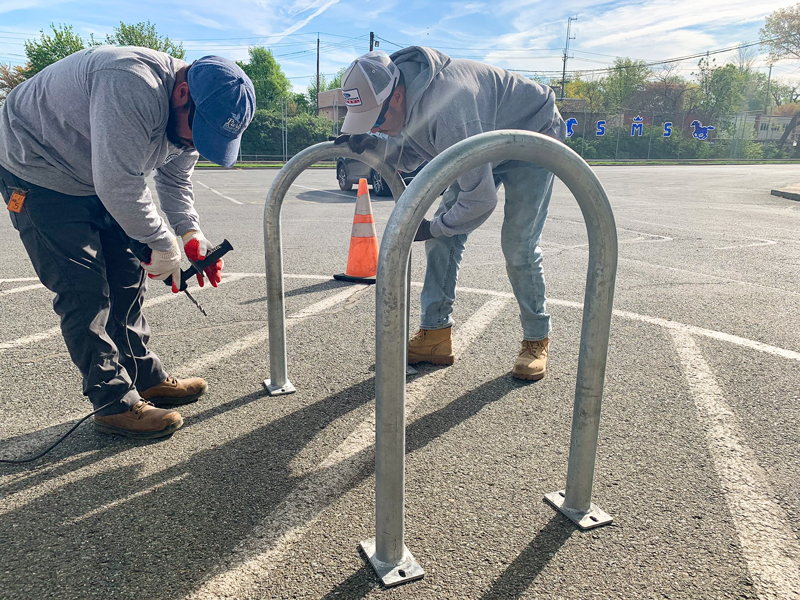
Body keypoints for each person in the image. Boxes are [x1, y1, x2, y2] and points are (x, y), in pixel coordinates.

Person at [0, 46, 255, 439]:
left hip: (96, 171)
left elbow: (174, 179)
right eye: (198, 133)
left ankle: (144, 375)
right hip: (37, 169)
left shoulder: (188, 118)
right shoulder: (130, 82)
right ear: (182, 93)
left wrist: (189, 234)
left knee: (127, 275)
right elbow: (118, 183)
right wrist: (161, 242)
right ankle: (113, 402)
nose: (195, 146)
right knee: (83, 289)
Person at [335, 48, 565, 380]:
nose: (377, 129)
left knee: (518, 244)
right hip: (485, 136)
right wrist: (375, 147)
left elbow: (480, 199)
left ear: (396, 97)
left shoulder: (449, 106)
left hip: (533, 133)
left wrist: (435, 227)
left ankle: (536, 337)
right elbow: (415, 150)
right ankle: (436, 335)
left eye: (376, 121)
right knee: (442, 240)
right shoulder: (408, 95)